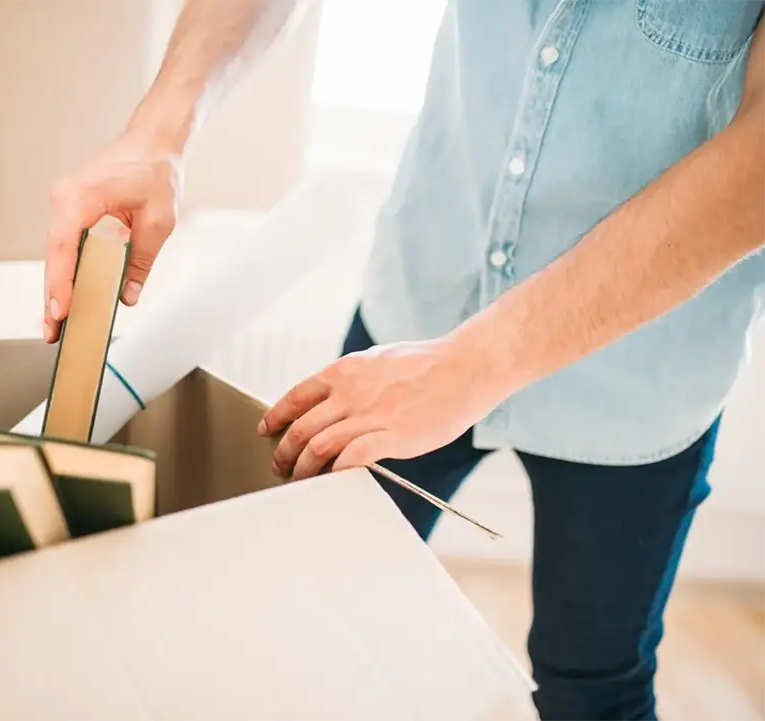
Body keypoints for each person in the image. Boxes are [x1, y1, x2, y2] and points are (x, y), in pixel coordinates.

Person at [44, 2, 765, 719]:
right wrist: (161, 128)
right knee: (309, 617)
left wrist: (469, 366)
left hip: (644, 374)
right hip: (418, 299)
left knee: (594, 688)